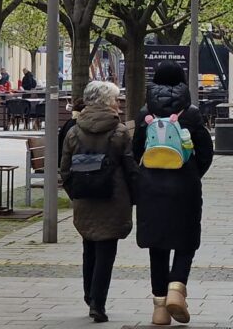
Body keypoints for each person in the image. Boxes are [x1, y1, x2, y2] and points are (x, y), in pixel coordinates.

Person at [133, 62, 214, 326]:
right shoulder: (190, 113)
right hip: (184, 187)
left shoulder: (145, 114)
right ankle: (177, 289)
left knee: (157, 246)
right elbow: (205, 151)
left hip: (151, 188)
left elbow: (136, 153)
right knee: (186, 240)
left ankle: (159, 309)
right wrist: (192, 173)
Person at [61, 80, 135, 323]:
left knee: (89, 246)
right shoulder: (119, 132)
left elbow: (65, 170)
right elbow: (130, 169)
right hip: (112, 198)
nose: (118, 104)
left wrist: (76, 194)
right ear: (106, 102)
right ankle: (98, 302)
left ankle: (89, 295)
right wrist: (134, 196)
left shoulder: (73, 130)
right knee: (106, 251)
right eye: (116, 100)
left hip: (84, 197)